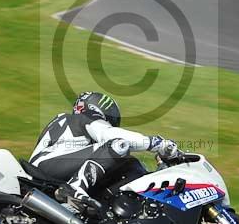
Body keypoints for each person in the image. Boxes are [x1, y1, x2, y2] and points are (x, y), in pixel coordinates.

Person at [29, 91, 178, 213]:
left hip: (48, 170)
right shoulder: (83, 117)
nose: (110, 122)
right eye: (111, 118)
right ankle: (75, 188)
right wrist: (156, 143)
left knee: (129, 162)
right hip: (48, 167)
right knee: (118, 145)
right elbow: (111, 135)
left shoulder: (69, 127)